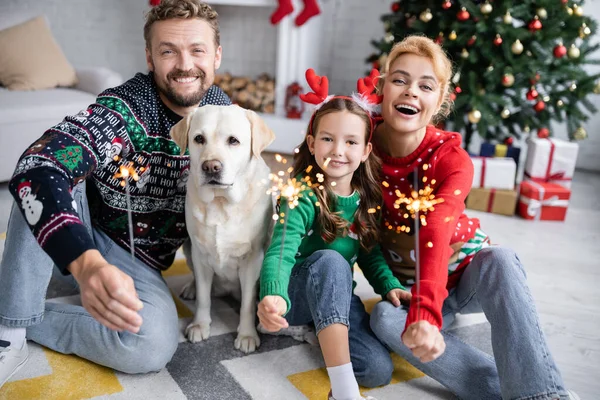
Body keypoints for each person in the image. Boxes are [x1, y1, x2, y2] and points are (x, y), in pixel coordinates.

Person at [0, 0, 230, 387]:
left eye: (197, 50)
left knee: (151, 345)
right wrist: (86, 263)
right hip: (79, 232)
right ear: (150, 57)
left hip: (138, 263)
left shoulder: (226, 117)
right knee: (42, 171)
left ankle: (16, 306)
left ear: (217, 56)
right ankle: (10, 333)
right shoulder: (125, 108)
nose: (185, 64)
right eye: (168, 51)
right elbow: (38, 167)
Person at [369, 35, 579, 400]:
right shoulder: (360, 145)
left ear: (439, 101)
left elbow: (435, 227)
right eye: (399, 80)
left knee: (500, 258)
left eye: (425, 85)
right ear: (382, 86)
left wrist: (426, 316)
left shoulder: (451, 159)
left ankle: (542, 396)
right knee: (383, 320)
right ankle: (503, 391)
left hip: (465, 275)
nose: (410, 92)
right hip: (408, 288)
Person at [257, 69, 411, 400]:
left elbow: (369, 253)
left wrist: (389, 286)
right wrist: (273, 294)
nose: (338, 150)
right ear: (312, 144)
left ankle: (325, 331)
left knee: (377, 370)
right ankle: (342, 392)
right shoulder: (300, 193)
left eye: (350, 141)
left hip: (337, 296)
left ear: (366, 150)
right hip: (296, 295)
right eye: (328, 138)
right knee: (330, 259)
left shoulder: (368, 198)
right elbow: (280, 251)